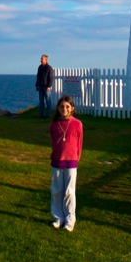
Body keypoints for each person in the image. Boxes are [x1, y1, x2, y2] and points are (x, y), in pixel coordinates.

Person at [49, 95, 83, 232]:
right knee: (57, 190)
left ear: (72, 108)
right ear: (58, 108)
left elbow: (79, 143)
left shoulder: (77, 124)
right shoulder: (54, 125)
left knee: (69, 191)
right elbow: (54, 141)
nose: (65, 109)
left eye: (67, 107)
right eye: (62, 106)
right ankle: (58, 217)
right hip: (57, 160)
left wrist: (76, 157)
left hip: (71, 161)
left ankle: (70, 219)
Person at [35, 54, 54, 118]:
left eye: (42, 59)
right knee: (41, 101)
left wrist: (49, 86)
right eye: (41, 58)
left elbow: (50, 78)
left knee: (48, 101)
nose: (41, 60)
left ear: (46, 60)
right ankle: (41, 114)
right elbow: (38, 76)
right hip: (40, 86)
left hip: (46, 87)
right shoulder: (40, 67)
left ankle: (49, 114)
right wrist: (37, 85)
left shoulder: (49, 68)